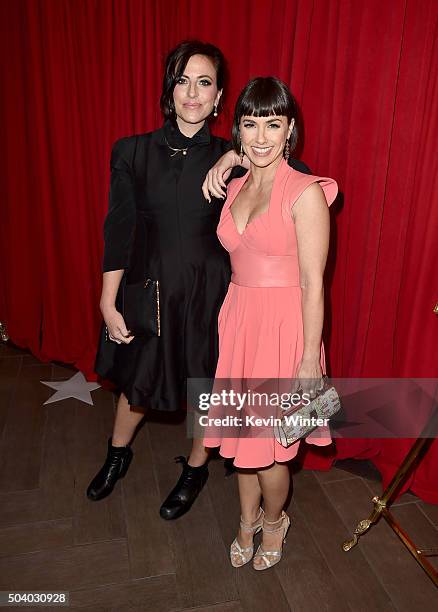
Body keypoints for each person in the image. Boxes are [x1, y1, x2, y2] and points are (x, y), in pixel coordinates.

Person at [88, 40, 311, 521]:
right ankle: (116, 455)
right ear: (170, 89)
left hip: (214, 296)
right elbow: (118, 230)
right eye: (182, 80)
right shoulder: (131, 151)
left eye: (204, 82)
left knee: (206, 389)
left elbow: (297, 178)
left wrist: (236, 158)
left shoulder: (240, 152)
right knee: (137, 382)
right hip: (150, 292)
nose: (192, 92)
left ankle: (195, 467)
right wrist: (108, 302)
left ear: (219, 95)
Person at [203, 77, 338, 570]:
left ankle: (275, 520)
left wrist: (309, 361)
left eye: (273, 125)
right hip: (239, 324)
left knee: (276, 452)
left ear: (290, 131)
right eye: (251, 124)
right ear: (238, 129)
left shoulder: (306, 193)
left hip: (287, 334)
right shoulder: (235, 182)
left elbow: (313, 283)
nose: (261, 137)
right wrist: (229, 158)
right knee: (242, 441)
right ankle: (246, 521)